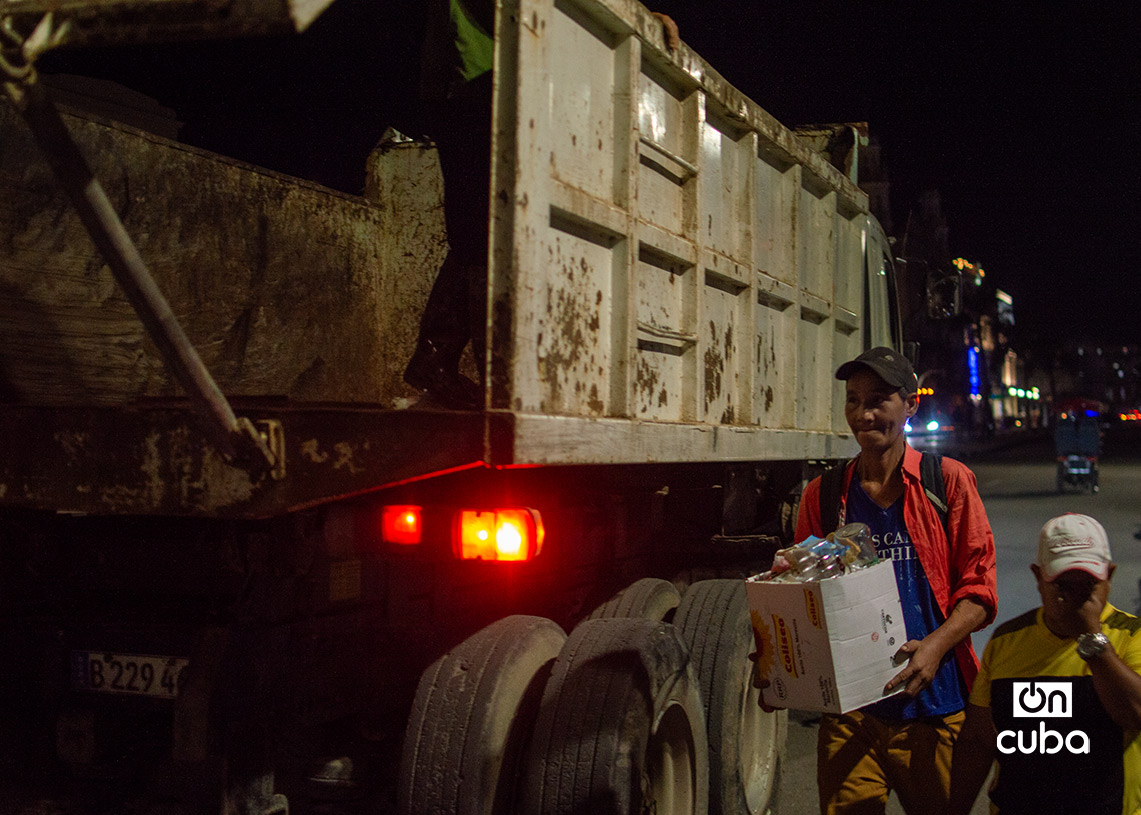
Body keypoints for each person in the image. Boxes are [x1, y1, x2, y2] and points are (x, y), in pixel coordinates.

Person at [403, 1, 679, 409]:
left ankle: (439, 358)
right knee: (492, 241)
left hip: (469, 102)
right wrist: (637, 17)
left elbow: (434, 68)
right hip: (505, 94)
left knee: (476, 239)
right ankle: (494, 376)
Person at [795, 346, 998, 814]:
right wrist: (784, 662)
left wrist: (935, 645)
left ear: (910, 405)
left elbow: (981, 593)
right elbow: (802, 597)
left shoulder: (946, 482)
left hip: (935, 707)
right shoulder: (823, 495)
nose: (863, 414)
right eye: (853, 400)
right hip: (853, 717)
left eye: (878, 399)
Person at [945, 513, 1141, 815]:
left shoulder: (1132, 637)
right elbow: (977, 740)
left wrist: (1092, 640)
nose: (1075, 598)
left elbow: (1135, 714)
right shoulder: (1008, 641)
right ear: (1038, 577)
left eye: (1087, 585)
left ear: (1109, 578)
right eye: (1063, 585)